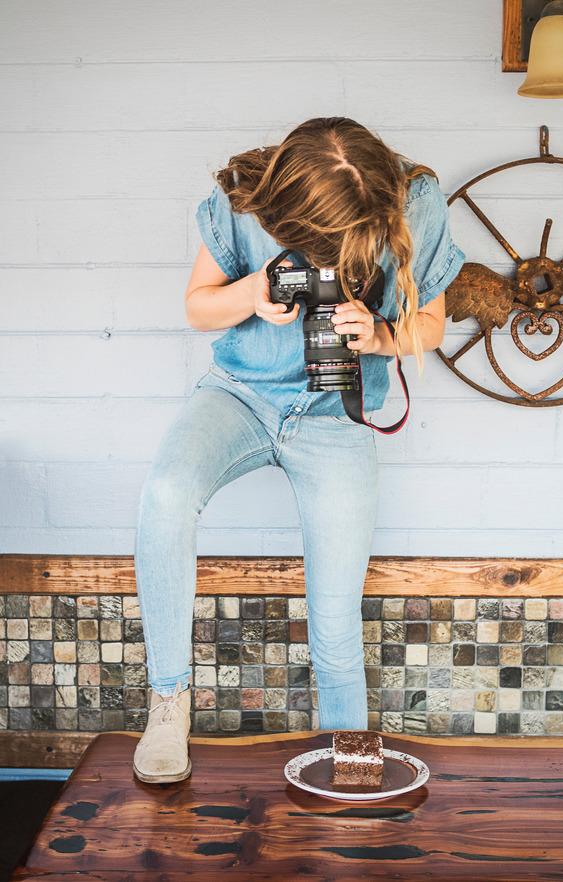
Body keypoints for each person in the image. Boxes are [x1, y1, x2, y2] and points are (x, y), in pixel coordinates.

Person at [132, 116, 466, 783]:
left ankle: (347, 760)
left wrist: (377, 334)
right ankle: (167, 704)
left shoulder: (416, 201)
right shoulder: (245, 193)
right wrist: (251, 293)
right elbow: (197, 307)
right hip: (239, 397)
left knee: (336, 615)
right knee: (165, 494)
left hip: (334, 418)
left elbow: (430, 323)